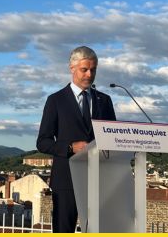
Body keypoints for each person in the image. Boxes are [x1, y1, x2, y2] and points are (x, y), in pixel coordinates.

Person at [37, 46, 116, 233]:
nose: (89, 74)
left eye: (93, 70)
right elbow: (43, 142)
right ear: (72, 68)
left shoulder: (104, 101)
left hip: (98, 178)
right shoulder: (55, 100)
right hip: (66, 180)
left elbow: (113, 137)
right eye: (84, 69)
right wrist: (70, 147)